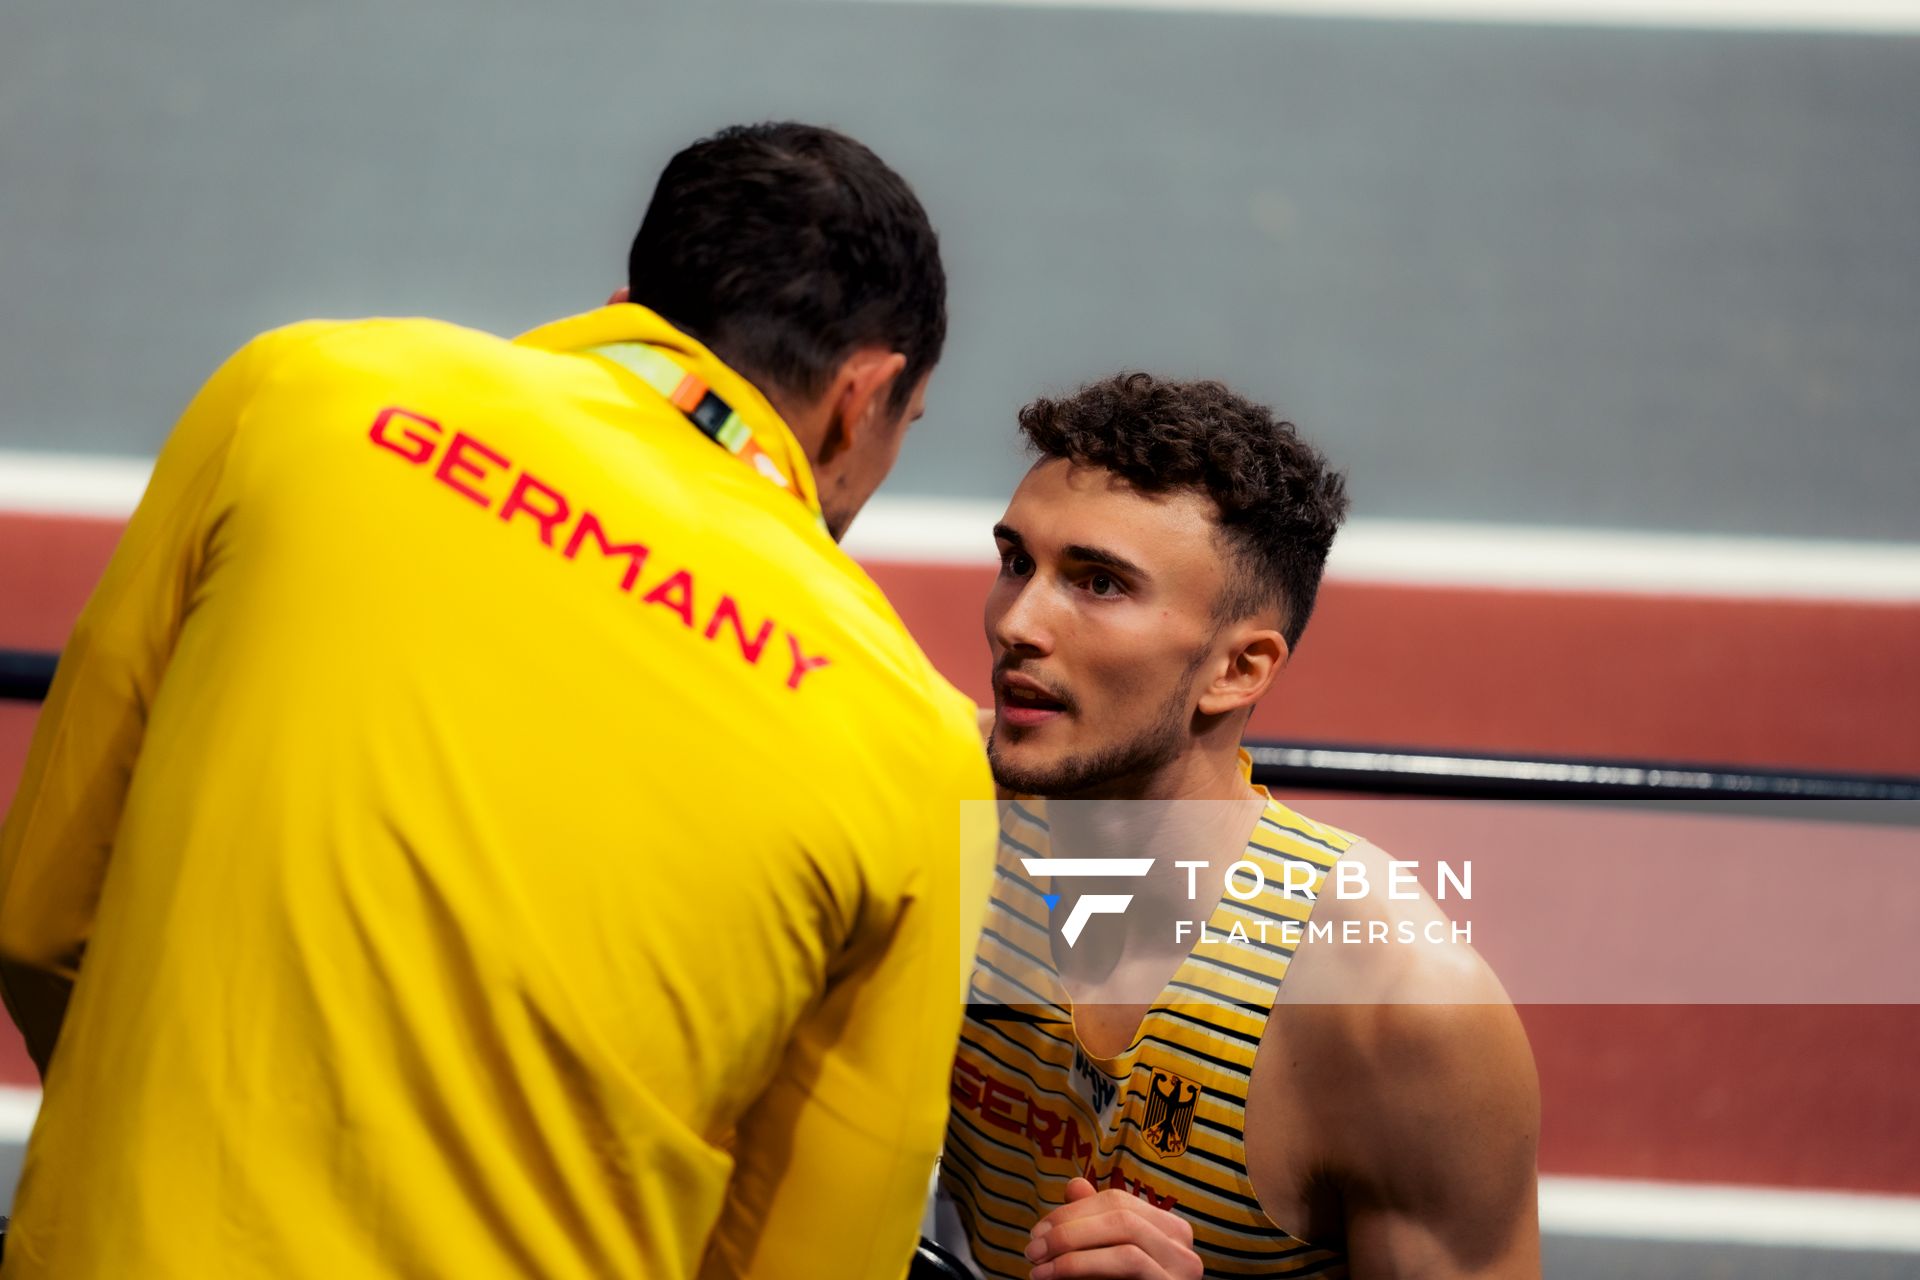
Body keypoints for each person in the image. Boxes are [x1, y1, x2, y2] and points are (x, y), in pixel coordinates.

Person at [0, 122, 994, 1279]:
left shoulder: (302, 390)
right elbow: (815, 1256)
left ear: (633, 301)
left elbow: (38, 917)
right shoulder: (920, 741)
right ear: (861, 396)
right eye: (901, 433)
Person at [936, 374, 1540, 1278]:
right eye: (1018, 562)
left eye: (1099, 584)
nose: (1017, 623)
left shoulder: (1398, 1014)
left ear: (1238, 669)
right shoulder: (923, 808)